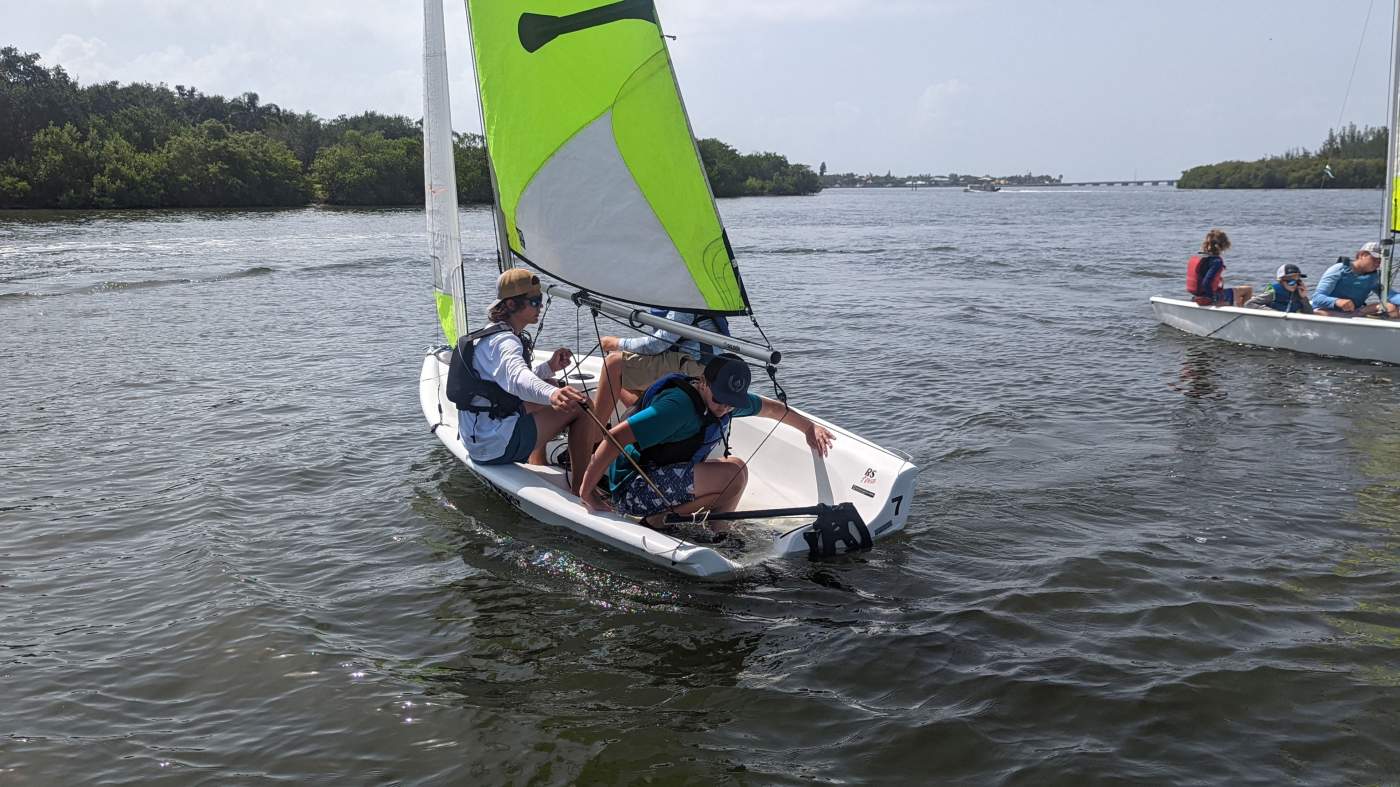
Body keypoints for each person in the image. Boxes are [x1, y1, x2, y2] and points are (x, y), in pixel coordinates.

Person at [576, 354, 834, 531]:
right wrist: (587, 492)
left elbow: (773, 410)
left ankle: (716, 531)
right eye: (718, 399)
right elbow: (614, 437)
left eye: (731, 402)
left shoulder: (728, 403)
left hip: (660, 478)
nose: (723, 408)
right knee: (734, 473)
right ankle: (661, 522)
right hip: (631, 489)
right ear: (702, 383)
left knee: (732, 467)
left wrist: (809, 427)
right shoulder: (677, 407)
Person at [446, 268, 591, 473]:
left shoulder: (491, 334)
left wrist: (549, 367)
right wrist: (553, 395)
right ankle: (583, 489)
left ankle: (537, 462)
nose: (540, 306)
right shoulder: (505, 341)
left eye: (540, 300)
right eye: (534, 301)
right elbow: (517, 379)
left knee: (550, 382)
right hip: (494, 445)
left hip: (480, 435)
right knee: (582, 406)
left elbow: (507, 381)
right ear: (512, 304)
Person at [579, 310, 732, 485]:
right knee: (633, 379)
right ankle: (637, 426)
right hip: (709, 367)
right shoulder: (698, 297)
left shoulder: (684, 301)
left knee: (614, 364)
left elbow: (655, 345)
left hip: (696, 369)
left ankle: (592, 444)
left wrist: (615, 342)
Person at [1311, 241, 1400, 317]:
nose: (1378, 263)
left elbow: (1391, 295)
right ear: (1362, 255)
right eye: (1375, 259)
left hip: (1354, 313)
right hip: (1326, 311)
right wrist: (1337, 301)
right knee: (1321, 313)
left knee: (1390, 307)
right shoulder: (1338, 269)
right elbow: (1317, 298)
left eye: (1381, 261)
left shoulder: (1374, 277)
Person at [1186, 229, 1253, 306]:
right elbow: (1206, 282)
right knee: (1248, 290)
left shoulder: (1201, 257)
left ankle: (1238, 310)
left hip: (1197, 295)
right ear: (1223, 245)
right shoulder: (1216, 261)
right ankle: (1243, 315)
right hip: (1210, 297)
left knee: (1238, 294)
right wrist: (1211, 298)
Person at [1244, 264, 1313, 314]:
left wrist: (1303, 298)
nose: (1294, 284)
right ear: (1281, 281)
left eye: (1297, 281)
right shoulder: (1273, 293)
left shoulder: (1299, 294)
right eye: (1291, 281)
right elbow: (1249, 304)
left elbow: (1309, 314)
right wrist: (1275, 313)